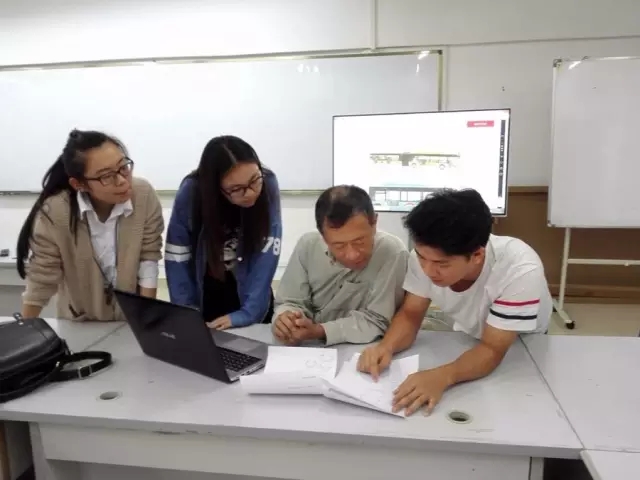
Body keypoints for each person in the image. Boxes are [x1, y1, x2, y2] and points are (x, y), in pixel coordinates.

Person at [357, 188, 552, 416]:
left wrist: (443, 376)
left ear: (477, 255)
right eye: (421, 257)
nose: (428, 270)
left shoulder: (519, 271)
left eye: (442, 264)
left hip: (523, 346)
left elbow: (492, 349)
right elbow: (411, 314)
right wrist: (385, 347)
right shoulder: (426, 257)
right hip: (473, 340)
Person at [16, 129, 164, 321]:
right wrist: (25, 328)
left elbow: (148, 258)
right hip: (78, 321)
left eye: (123, 167)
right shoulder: (56, 211)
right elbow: (42, 276)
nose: (122, 181)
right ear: (79, 184)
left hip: (130, 321)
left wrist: (146, 319)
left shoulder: (143, 195)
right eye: (106, 176)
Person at [165, 135, 281, 330]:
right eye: (237, 189)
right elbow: (177, 258)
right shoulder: (192, 191)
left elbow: (266, 256)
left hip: (252, 291)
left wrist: (249, 313)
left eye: (254, 180)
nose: (251, 192)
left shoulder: (268, 182)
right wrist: (186, 313)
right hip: (208, 289)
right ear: (215, 186)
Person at [272, 185, 409, 346]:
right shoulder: (308, 245)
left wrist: (319, 330)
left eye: (359, 241)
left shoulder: (392, 253)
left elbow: (378, 320)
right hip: (308, 348)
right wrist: (286, 320)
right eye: (339, 246)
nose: (352, 254)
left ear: (374, 223)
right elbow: (290, 302)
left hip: (366, 347)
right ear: (323, 236)